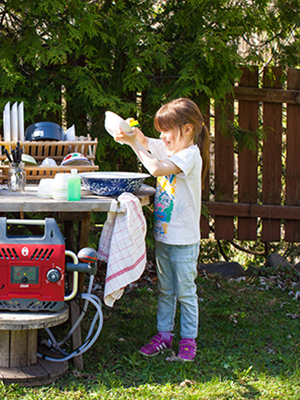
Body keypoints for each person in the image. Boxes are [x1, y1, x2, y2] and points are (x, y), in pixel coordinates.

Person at [111, 98, 209, 362]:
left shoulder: (189, 156)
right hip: (165, 237)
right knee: (166, 290)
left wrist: (133, 145)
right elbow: (145, 141)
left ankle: (188, 341)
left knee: (186, 292)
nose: (162, 137)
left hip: (184, 241)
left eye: (167, 131)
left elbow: (155, 168)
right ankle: (164, 335)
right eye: (161, 131)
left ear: (187, 129)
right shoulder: (171, 148)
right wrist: (131, 135)